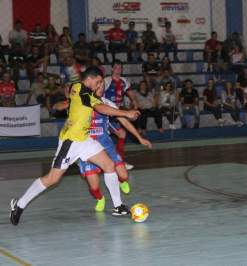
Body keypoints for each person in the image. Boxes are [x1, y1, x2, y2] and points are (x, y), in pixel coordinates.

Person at [10, 67, 141, 225]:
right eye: (98, 82)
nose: (100, 85)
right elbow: (100, 107)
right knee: (52, 178)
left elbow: (96, 105)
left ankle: (118, 206)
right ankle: (19, 204)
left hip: (84, 139)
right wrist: (125, 113)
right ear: (91, 79)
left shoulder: (82, 90)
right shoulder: (81, 89)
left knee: (109, 165)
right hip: (71, 141)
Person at [76, 81, 152, 212]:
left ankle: (121, 184)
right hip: (87, 147)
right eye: (98, 86)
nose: (100, 88)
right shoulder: (81, 103)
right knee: (94, 187)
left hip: (105, 144)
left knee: (123, 175)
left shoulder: (107, 104)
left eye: (102, 86)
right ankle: (100, 198)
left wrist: (139, 138)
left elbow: (124, 121)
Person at [104, 60, 136, 169]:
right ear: (112, 68)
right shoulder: (107, 81)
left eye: (120, 67)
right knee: (121, 134)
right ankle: (120, 162)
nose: (118, 69)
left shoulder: (124, 81)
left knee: (112, 137)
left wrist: (135, 102)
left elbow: (130, 92)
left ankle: (118, 161)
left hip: (117, 113)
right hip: (107, 114)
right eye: (116, 67)